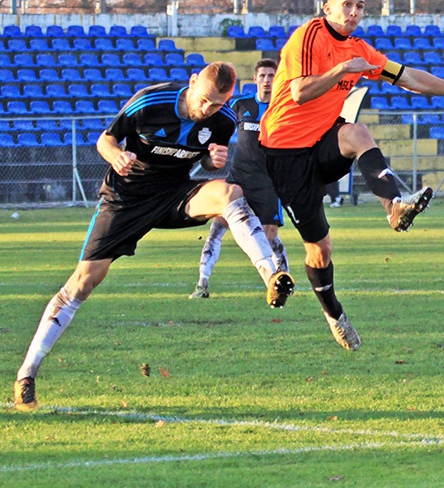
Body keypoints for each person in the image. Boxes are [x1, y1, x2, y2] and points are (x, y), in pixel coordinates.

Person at [12, 62, 294, 412]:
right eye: (204, 100)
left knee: (229, 193)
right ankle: (27, 374)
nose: (208, 110)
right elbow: (106, 139)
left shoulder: (222, 121)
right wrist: (117, 156)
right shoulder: (149, 102)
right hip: (126, 199)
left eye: (218, 103)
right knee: (84, 281)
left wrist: (213, 161)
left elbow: (206, 166)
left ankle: (272, 275)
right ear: (192, 82)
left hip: (173, 195)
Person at [260, 0, 444, 351]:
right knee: (319, 249)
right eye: (347, 4)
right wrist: (343, 69)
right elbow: (299, 92)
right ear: (327, 7)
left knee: (358, 132)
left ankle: (394, 207)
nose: (354, 12)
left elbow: (409, 78)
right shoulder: (309, 36)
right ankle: (334, 315)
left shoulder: (360, 49)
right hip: (284, 152)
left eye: (359, 7)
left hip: (323, 142)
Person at [189, 59, 290, 299]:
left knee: (269, 236)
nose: (267, 80)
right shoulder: (240, 106)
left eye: (271, 76)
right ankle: (202, 284)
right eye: (262, 75)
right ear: (255, 79)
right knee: (217, 227)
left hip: (267, 182)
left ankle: (283, 278)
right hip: (238, 178)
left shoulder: (284, 109)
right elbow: (217, 124)